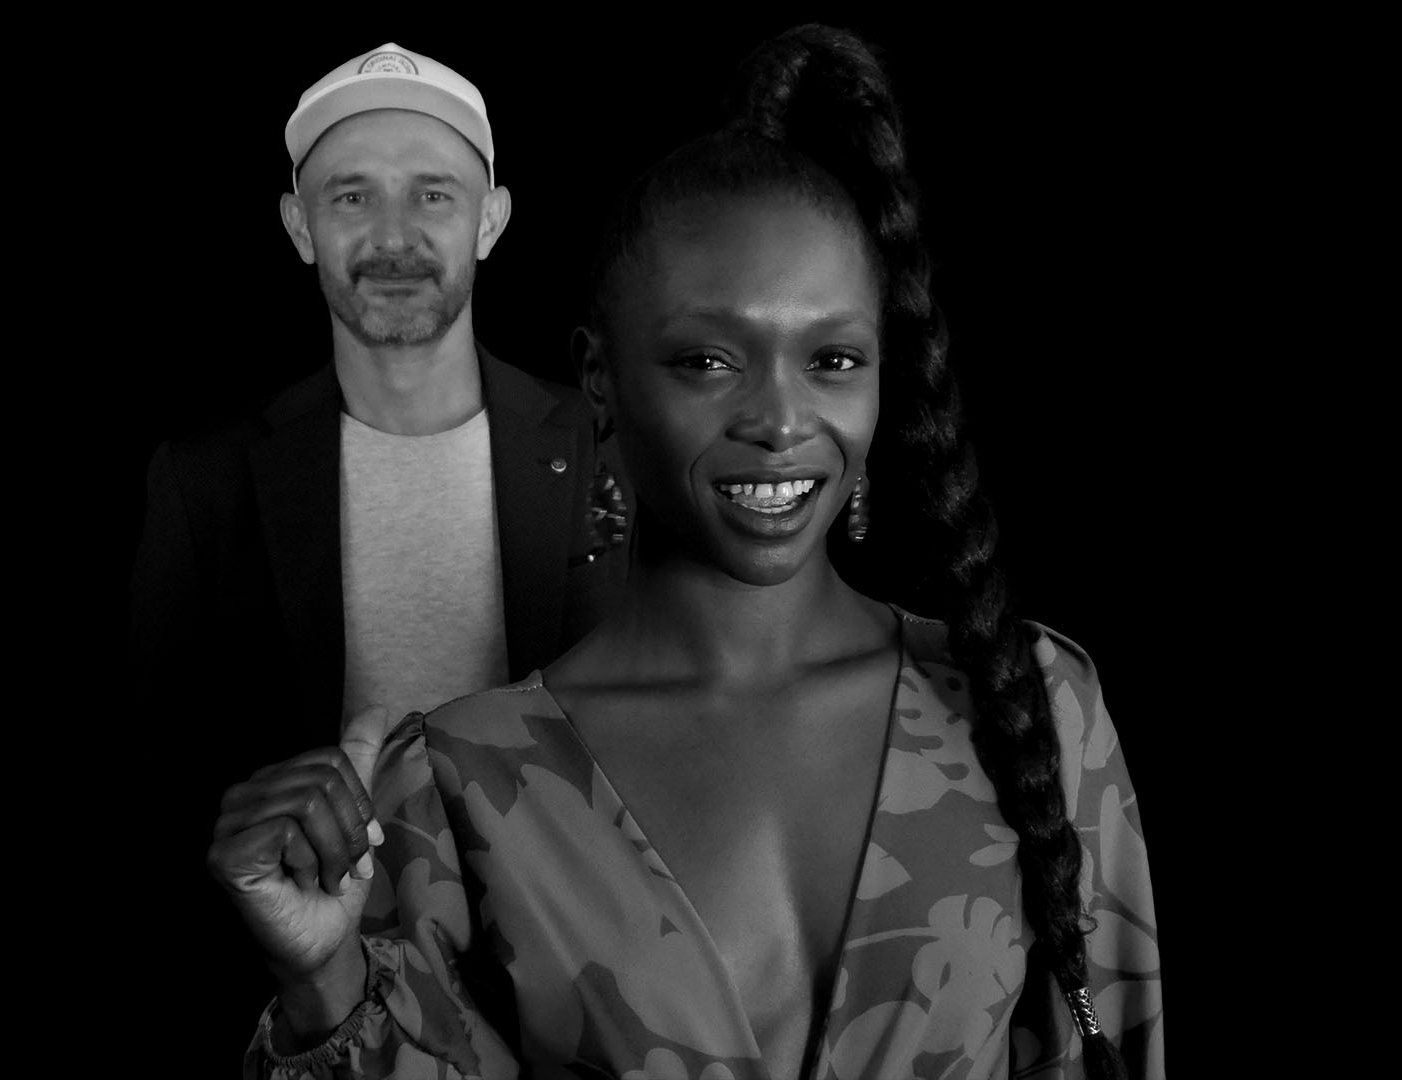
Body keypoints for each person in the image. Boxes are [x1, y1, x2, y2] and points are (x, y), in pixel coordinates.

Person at [209, 25, 1162, 1080]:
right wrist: (322, 980)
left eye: (833, 358)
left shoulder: (1033, 708)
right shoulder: (454, 785)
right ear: (600, 380)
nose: (781, 420)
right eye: (709, 360)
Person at [129, 40, 630, 769]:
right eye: (353, 197)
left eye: (433, 194)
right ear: (301, 227)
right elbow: (153, 768)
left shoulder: (607, 445)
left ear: (489, 222)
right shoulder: (203, 482)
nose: (394, 236)